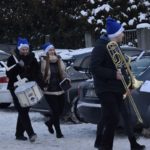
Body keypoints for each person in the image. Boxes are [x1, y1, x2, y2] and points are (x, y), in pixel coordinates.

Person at [90, 17, 145, 150]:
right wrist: (113, 74)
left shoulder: (116, 47)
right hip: (105, 88)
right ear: (115, 34)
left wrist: (130, 84)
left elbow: (123, 67)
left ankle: (133, 143)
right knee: (113, 117)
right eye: (121, 33)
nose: (123, 35)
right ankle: (105, 146)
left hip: (118, 88)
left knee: (126, 116)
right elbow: (94, 68)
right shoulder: (100, 47)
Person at [6, 37, 42, 142]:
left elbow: (37, 72)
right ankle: (31, 134)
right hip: (15, 87)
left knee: (25, 109)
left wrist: (36, 81)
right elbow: (9, 74)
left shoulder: (32, 58)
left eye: (26, 49)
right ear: (19, 49)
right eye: (23, 49)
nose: (25, 51)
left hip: (29, 86)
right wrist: (17, 66)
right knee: (22, 110)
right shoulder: (12, 58)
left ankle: (19, 134)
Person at [40, 42, 69, 138]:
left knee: (60, 111)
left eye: (53, 49)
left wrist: (67, 79)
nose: (52, 51)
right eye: (50, 50)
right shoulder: (43, 60)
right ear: (46, 52)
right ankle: (59, 133)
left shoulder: (59, 59)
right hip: (49, 90)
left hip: (60, 88)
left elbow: (64, 72)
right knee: (55, 110)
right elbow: (39, 74)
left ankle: (49, 123)